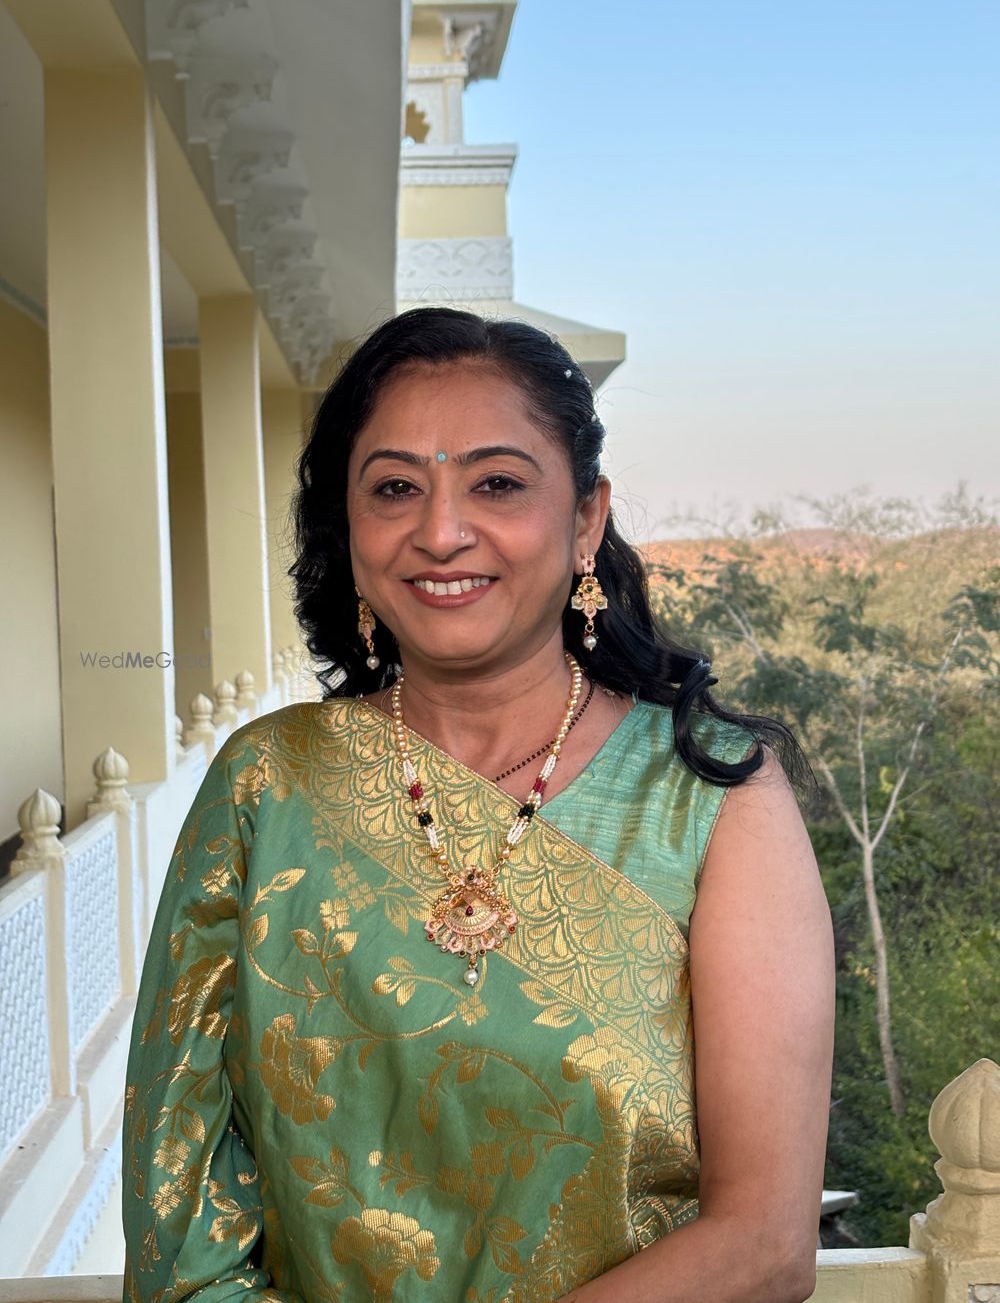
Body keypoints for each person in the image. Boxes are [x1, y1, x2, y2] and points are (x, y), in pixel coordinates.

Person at [122, 307, 835, 1303]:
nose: (441, 531)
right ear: (350, 527)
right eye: (395, 488)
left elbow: (763, 1242)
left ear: (585, 519)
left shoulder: (713, 802)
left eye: (497, 483)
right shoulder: (265, 785)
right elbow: (180, 1201)